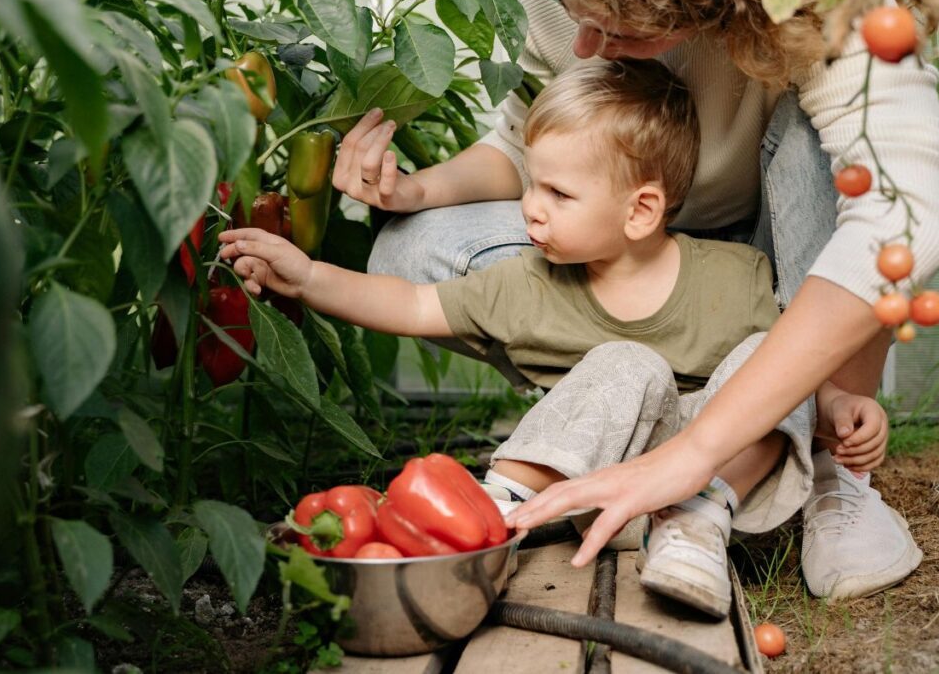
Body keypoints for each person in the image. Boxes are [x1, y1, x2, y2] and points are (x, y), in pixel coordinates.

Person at [336, 0, 939, 599]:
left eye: (624, 31)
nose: (584, 46)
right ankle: (631, 423)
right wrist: (416, 190)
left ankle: (826, 463)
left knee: (835, 153)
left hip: (773, 263)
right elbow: (525, 144)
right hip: (629, 261)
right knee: (414, 252)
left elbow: (903, 216)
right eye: (578, 14)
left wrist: (695, 458)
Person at [221, 59, 886, 618]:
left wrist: (837, 405)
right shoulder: (530, 282)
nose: (529, 207)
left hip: (710, 475)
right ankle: (493, 515)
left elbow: (796, 371)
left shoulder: (736, 278)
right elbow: (412, 301)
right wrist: (308, 276)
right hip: (590, 481)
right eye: (531, 182)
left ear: (642, 210)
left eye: (557, 193)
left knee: (767, 356)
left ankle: (694, 526)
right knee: (626, 362)